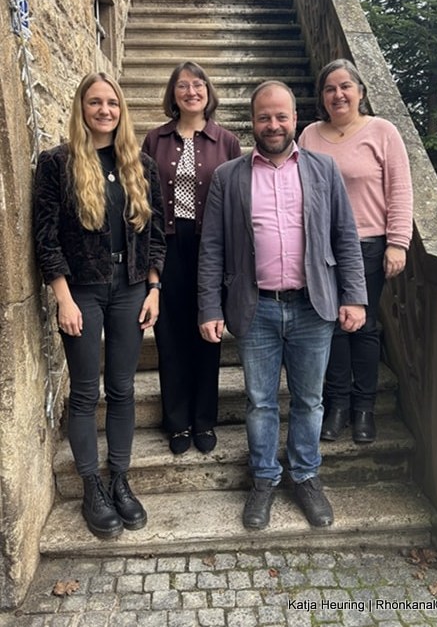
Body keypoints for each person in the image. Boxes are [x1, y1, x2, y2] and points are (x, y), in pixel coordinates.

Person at [198, 80, 367, 531]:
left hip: (313, 306)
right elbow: (212, 247)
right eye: (264, 117)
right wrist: (209, 307)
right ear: (252, 122)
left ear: (295, 119)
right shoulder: (229, 176)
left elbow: (345, 236)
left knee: (310, 400)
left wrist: (354, 296)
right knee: (260, 402)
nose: (272, 125)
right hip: (256, 309)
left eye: (281, 116)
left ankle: (306, 475)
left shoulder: (323, 169)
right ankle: (264, 478)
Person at [34, 72, 166, 539]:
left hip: (131, 287)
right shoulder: (57, 163)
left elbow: (156, 233)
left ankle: (120, 479)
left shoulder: (140, 165)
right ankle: (92, 485)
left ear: (121, 109)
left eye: (112, 102)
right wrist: (63, 298)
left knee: (123, 388)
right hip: (82, 292)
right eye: (95, 102)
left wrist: (154, 287)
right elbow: (45, 237)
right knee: (87, 392)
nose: (105, 110)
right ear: (82, 108)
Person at [298, 59, 413, 444]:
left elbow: (400, 190)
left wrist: (397, 242)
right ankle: (337, 406)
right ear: (322, 97)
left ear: (360, 91)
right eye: (329, 88)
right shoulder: (310, 136)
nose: (338, 94)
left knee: (362, 327)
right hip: (321, 249)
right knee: (329, 328)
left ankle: (364, 408)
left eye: (345, 86)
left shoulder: (382, 132)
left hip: (368, 246)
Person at [142, 61, 241, 455]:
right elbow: (144, 199)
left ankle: (204, 419)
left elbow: (234, 200)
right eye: (183, 86)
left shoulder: (226, 141)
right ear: (173, 93)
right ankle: (177, 422)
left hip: (209, 244)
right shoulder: (155, 139)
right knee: (170, 335)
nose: (191, 92)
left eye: (198, 85)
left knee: (207, 329)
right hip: (168, 243)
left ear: (208, 92)